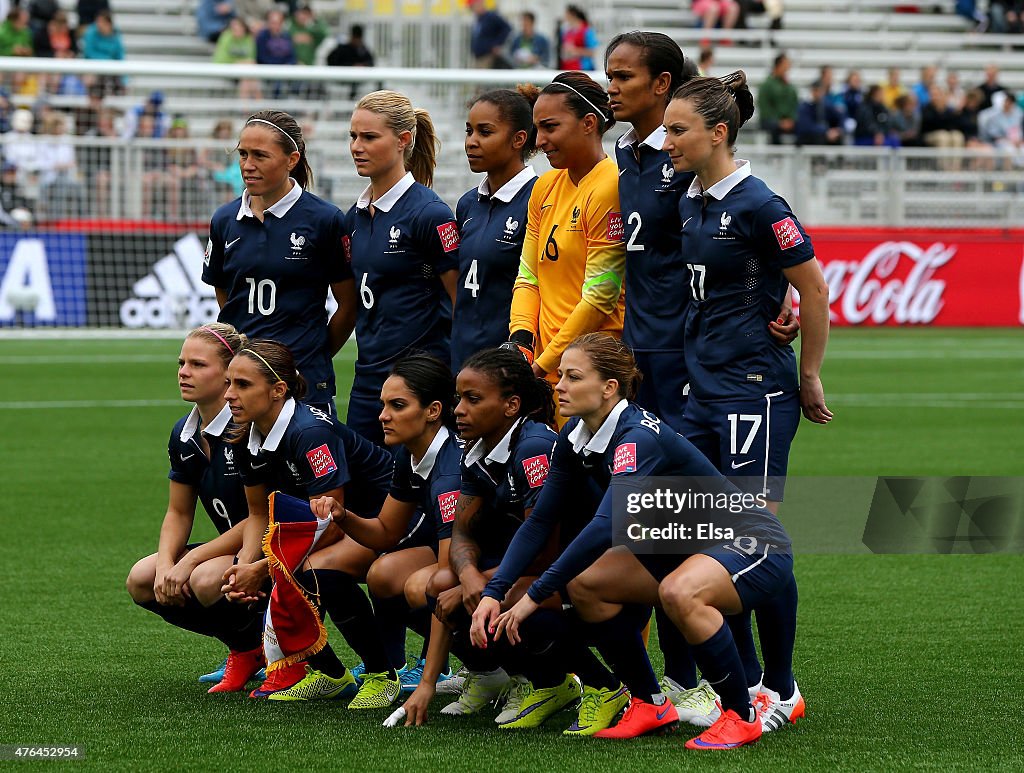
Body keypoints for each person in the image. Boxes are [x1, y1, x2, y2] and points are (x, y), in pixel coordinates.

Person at [469, 333, 793, 745]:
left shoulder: (636, 436)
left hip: (754, 543)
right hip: (689, 546)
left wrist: (531, 598)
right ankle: (649, 703)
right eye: (561, 376)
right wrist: (494, 592)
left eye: (573, 377)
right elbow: (540, 521)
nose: (559, 385)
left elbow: (606, 527)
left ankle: (739, 714)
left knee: (680, 592)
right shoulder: (575, 434)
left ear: (609, 388)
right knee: (586, 585)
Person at [663, 71, 831, 735]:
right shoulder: (689, 198)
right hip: (701, 392)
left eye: (679, 130)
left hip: (755, 392)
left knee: (756, 542)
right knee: (711, 540)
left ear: (718, 133)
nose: (668, 141)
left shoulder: (762, 203)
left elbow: (812, 291)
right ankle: (749, 681)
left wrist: (809, 374)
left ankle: (781, 686)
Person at [398, 348, 625, 734]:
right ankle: (540, 682)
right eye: (458, 399)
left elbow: (546, 551)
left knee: (501, 598)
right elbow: (462, 530)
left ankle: (605, 686)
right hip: (543, 573)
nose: (460, 410)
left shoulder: (533, 447)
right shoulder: (475, 450)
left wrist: (486, 586)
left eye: (473, 399)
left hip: (590, 575)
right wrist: (470, 576)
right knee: (441, 586)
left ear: (511, 405)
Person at [220, 339, 400, 702]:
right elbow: (257, 513)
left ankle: (383, 675)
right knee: (261, 576)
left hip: (382, 517)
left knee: (317, 574)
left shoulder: (309, 432)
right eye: (228, 383)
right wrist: (245, 565)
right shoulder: (244, 433)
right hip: (335, 522)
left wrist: (264, 567)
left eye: (242, 384)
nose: (228, 394)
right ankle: (332, 676)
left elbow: (332, 521)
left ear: (278, 390)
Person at [309, 354, 465, 704]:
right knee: (384, 573)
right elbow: (384, 533)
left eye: (397, 405)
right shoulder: (409, 455)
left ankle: (491, 669)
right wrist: (342, 515)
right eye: (383, 405)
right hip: (474, 560)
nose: (383, 415)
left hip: (497, 565)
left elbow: (449, 576)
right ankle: (391, 670)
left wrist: (427, 685)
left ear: (433, 411)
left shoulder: (450, 474)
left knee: (426, 585)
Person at [125, 324, 267, 695]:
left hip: (272, 543)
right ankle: (251, 648)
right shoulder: (183, 433)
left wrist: (189, 562)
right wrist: (167, 564)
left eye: (197, 364)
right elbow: (178, 513)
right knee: (142, 579)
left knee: (204, 580)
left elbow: (262, 515)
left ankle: (250, 649)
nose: (183, 372)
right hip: (229, 548)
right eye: (181, 362)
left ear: (227, 376)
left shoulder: (247, 428)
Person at [202, 109, 357, 413]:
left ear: (292, 160)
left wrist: (315, 353)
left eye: (260, 155)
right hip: (242, 377)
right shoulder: (224, 219)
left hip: (304, 378)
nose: (248, 165)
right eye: (243, 154)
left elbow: (348, 306)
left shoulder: (325, 220)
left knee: (308, 458)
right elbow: (225, 292)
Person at [506, 71, 626, 425]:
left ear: (589, 123)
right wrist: (522, 343)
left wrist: (544, 365)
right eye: (537, 128)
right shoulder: (544, 186)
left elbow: (601, 296)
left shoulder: (609, 186)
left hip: (590, 372)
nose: (539, 140)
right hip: (545, 369)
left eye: (550, 127)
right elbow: (528, 275)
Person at [345, 90, 458, 446]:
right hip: (367, 383)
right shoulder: (354, 218)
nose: (356, 147)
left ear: (402, 140)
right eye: (353, 136)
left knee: (416, 497)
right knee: (363, 495)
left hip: (417, 386)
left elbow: (461, 304)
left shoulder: (430, 214)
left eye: (369, 137)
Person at [451, 87, 540, 372]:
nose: (471, 142)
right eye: (469, 131)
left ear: (518, 139)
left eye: (484, 132)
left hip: (508, 363)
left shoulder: (538, 199)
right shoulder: (467, 203)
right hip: (462, 359)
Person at [326, 24, 377, 99]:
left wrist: (362, 65)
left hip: (359, 79)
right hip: (342, 77)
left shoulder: (363, 49)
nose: (356, 41)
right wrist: (351, 66)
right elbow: (332, 62)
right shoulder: (342, 49)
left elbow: (371, 63)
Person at [757, 52, 797, 144]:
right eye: (785, 65)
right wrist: (780, 122)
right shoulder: (766, 85)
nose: (787, 69)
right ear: (778, 66)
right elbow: (764, 108)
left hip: (786, 121)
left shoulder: (789, 87)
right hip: (771, 121)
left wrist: (790, 119)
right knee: (773, 128)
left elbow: (794, 104)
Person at [795, 79, 845, 146]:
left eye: (820, 91)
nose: (818, 94)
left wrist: (838, 130)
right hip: (809, 138)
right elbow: (806, 126)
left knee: (838, 138)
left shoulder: (826, 106)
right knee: (818, 136)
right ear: (812, 91)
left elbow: (841, 117)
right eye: (816, 91)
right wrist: (826, 131)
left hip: (824, 136)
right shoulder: (804, 107)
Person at [468, 0, 512, 69]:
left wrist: (497, 44)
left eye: (474, 6)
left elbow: (507, 28)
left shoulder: (491, 17)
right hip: (478, 57)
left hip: (487, 56)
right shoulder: (479, 19)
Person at [558, 5, 597, 70]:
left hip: (583, 69)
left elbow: (592, 52)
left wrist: (576, 51)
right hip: (568, 68)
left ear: (573, 15)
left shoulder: (587, 30)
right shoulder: (566, 31)